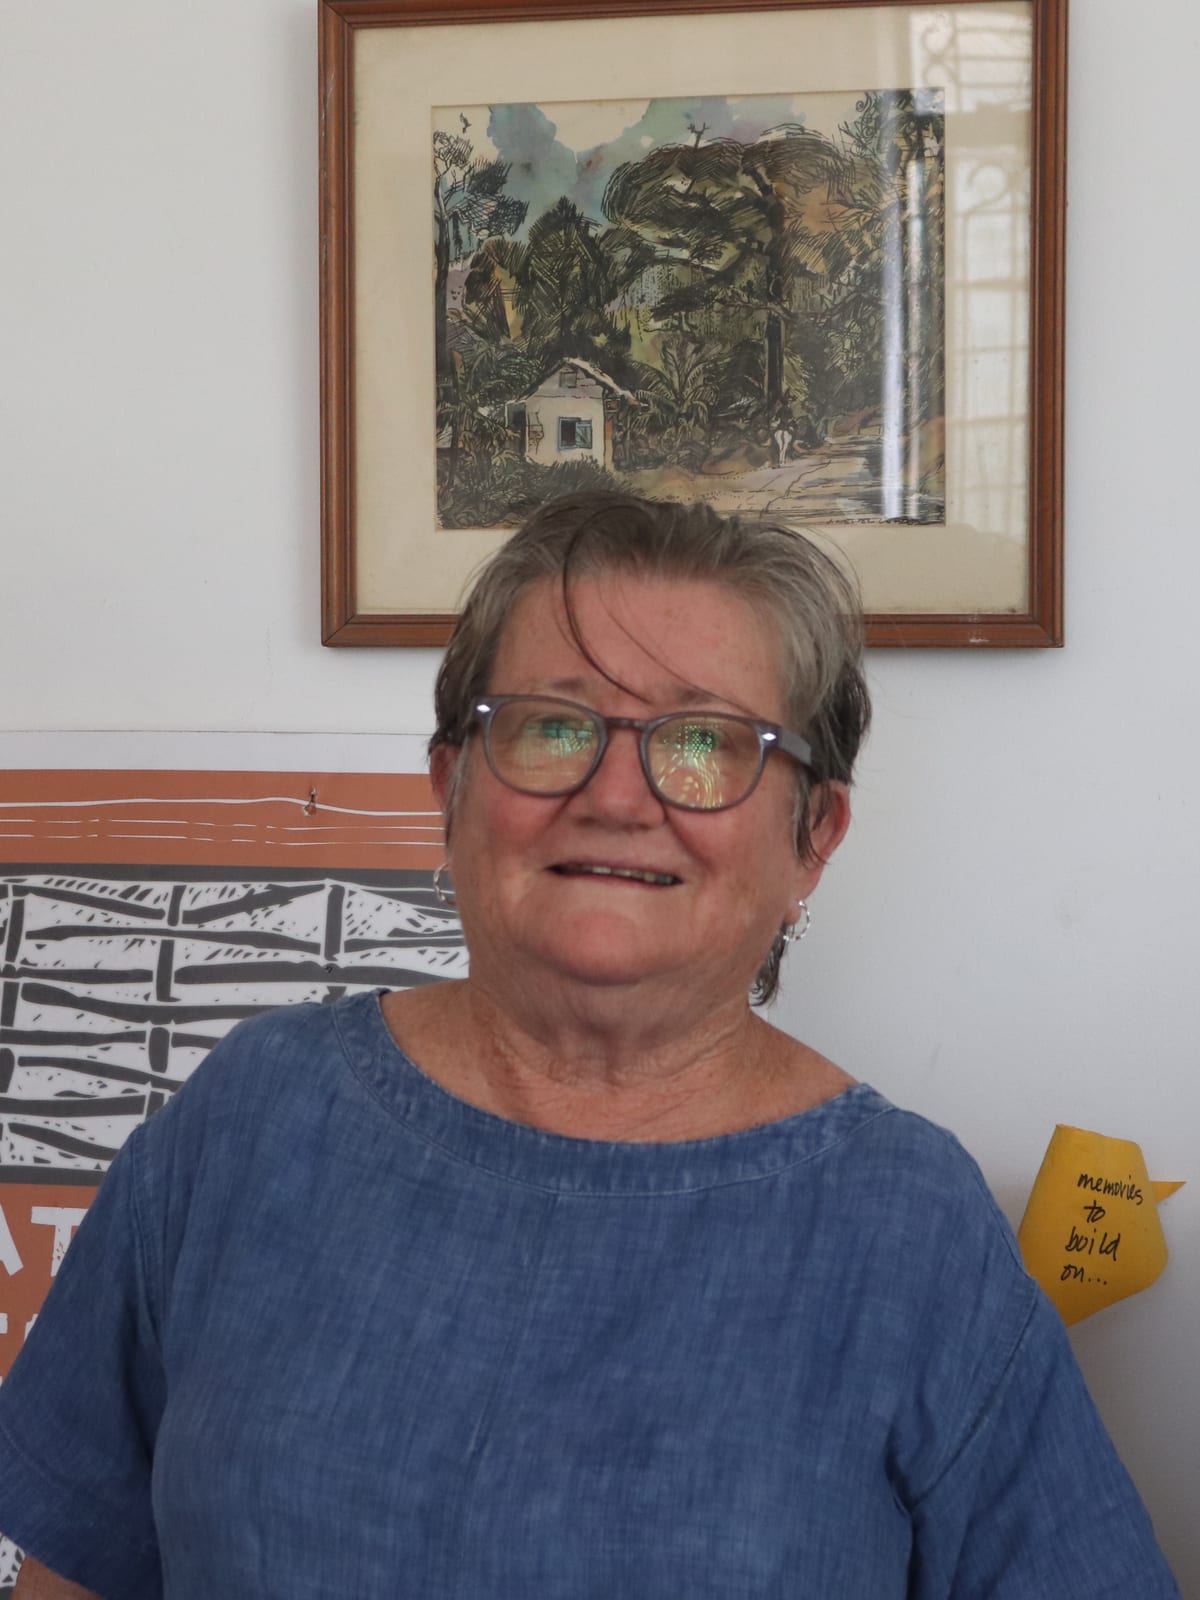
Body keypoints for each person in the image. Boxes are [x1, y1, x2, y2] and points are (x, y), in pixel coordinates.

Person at [0, 492, 1179, 1598]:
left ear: (812, 835)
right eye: (554, 725)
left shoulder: (911, 1226)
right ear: (451, 788)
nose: (619, 794)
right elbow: (80, 1565)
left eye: (707, 744)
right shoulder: (250, 1120)